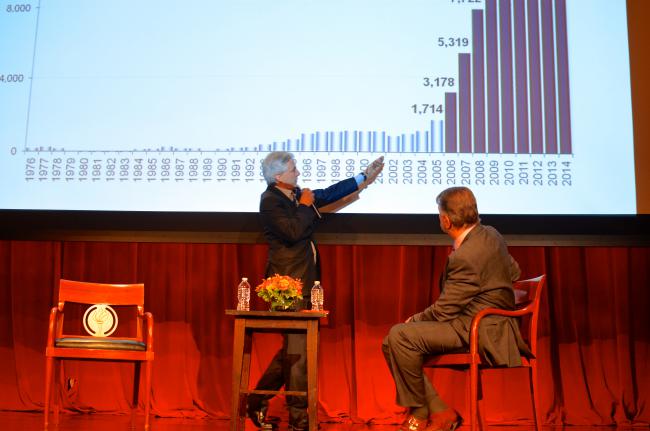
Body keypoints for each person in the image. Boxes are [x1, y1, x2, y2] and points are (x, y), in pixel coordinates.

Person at [248, 151, 384, 431]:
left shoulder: (297, 195)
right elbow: (293, 231)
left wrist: (363, 177)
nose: (298, 173)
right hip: (285, 285)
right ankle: (299, 422)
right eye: (293, 169)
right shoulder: (270, 200)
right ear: (278, 177)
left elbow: (329, 193)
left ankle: (257, 400)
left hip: (307, 280)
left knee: (295, 349)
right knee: (299, 351)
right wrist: (306, 206)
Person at [382, 187, 528, 431]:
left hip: (479, 330)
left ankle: (421, 410)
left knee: (400, 335)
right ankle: (440, 411)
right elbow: (514, 272)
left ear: (446, 219)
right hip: (488, 323)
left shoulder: (465, 256)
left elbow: (444, 311)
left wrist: (414, 319)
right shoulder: (491, 234)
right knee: (392, 342)